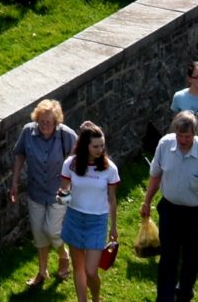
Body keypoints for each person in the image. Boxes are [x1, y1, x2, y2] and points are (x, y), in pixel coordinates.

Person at [138, 110, 198, 302]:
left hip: (197, 215)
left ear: (195, 134)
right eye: (179, 135)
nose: (182, 140)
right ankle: (165, 298)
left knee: (191, 259)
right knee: (168, 257)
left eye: (187, 136)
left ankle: (185, 293)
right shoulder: (165, 144)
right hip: (170, 211)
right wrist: (147, 201)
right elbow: (155, 175)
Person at [9, 99, 77, 291]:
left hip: (62, 192)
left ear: (56, 121)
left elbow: (79, 159)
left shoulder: (67, 135)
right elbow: (20, 154)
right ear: (36, 119)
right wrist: (14, 182)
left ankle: (64, 257)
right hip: (36, 191)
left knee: (53, 231)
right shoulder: (28, 132)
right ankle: (42, 271)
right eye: (42, 121)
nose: (45, 125)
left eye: (49, 121)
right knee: (39, 234)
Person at [55, 121, 119, 302]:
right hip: (75, 217)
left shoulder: (109, 169)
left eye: (102, 146)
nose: (100, 150)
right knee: (79, 267)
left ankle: (96, 298)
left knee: (91, 270)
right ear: (85, 146)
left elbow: (112, 199)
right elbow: (64, 191)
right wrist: (62, 196)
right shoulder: (71, 164)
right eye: (95, 146)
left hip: (97, 221)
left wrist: (113, 227)